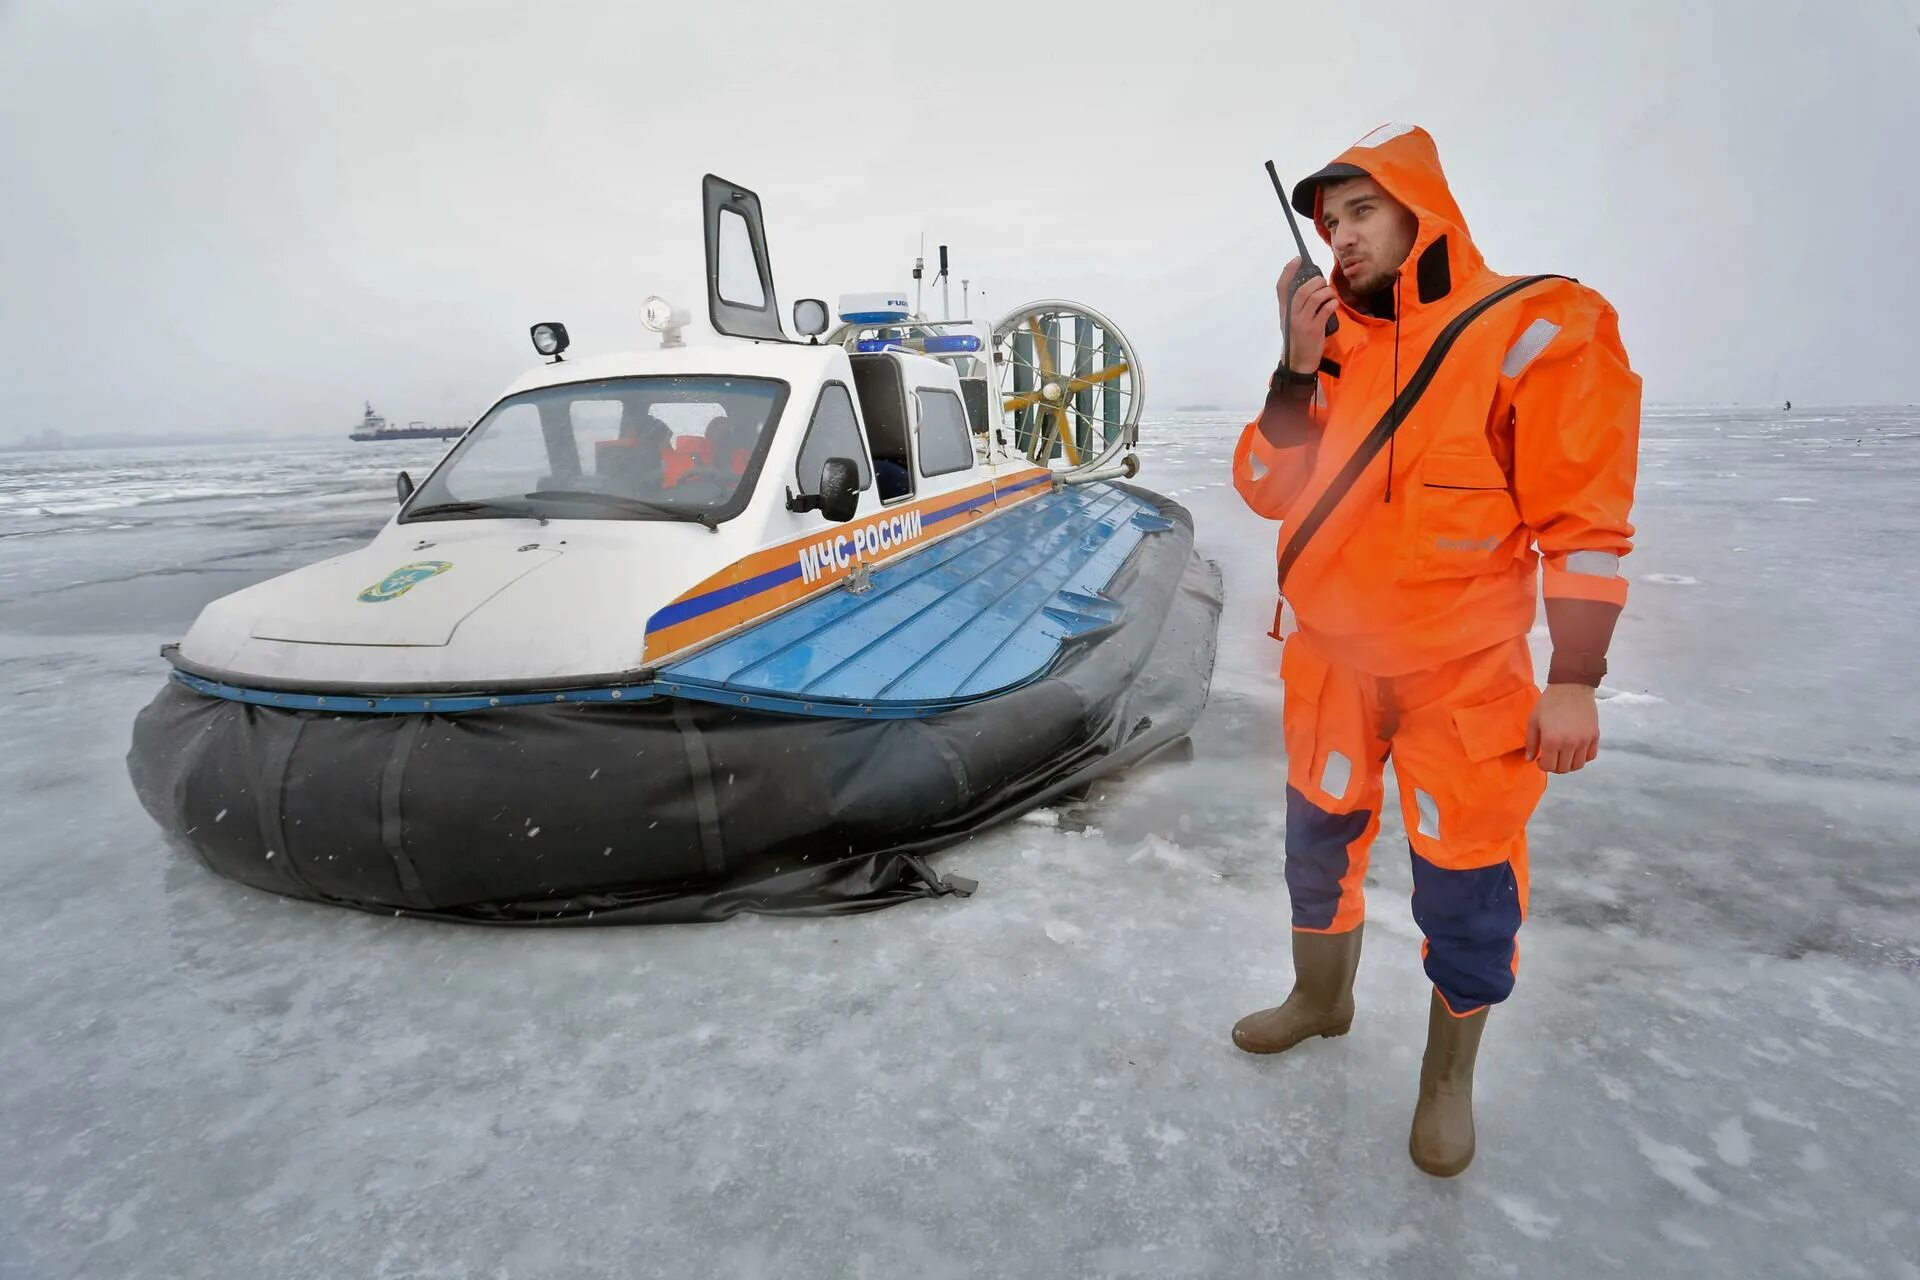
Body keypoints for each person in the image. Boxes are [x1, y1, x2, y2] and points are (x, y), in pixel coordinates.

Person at [1229, 124, 1640, 1177]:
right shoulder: (1332, 352)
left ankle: (1446, 1080)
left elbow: (1582, 523)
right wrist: (1292, 367)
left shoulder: (1531, 325)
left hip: (1464, 673)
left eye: (1363, 210)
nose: (1343, 237)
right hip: (1331, 663)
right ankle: (1322, 999)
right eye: (1329, 222)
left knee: (1467, 884)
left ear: (1423, 209)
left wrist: (1576, 680)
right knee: (1315, 847)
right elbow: (1267, 487)